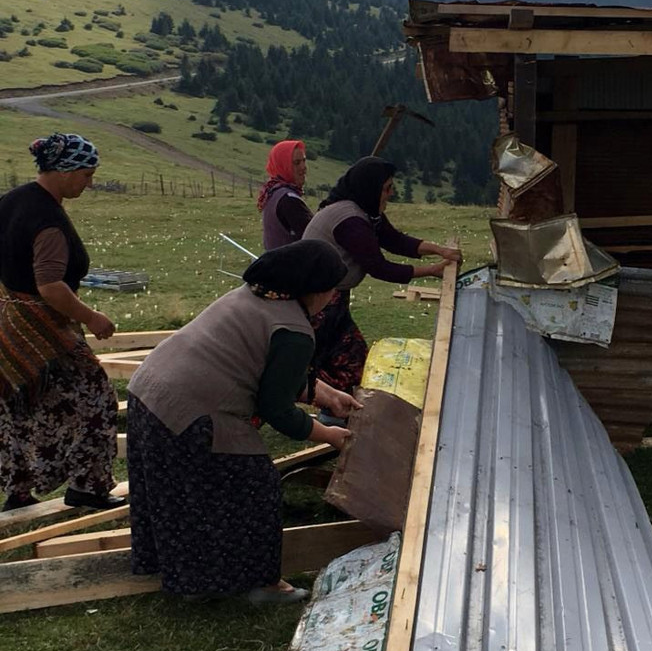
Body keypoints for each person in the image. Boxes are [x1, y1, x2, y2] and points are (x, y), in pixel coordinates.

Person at [126, 239, 357, 605]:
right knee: (256, 488)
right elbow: (276, 408)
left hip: (147, 394)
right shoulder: (295, 329)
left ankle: (187, 576)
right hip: (192, 412)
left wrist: (325, 395)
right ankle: (261, 585)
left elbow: (266, 365)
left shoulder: (256, 296)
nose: (334, 298)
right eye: (333, 290)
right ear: (317, 290)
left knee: (176, 491)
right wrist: (327, 434)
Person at [0, 132, 119, 512]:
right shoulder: (47, 218)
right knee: (96, 397)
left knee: (16, 404)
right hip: (44, 329)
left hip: (7, 323)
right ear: (65, 172)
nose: (89, 182)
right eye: (86, 174)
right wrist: (93, 317)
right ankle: (87, 485)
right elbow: (51, 285)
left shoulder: (11, 201)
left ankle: (17, 490)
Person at [302, 156, 462, 397]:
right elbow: (379, 267)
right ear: (371, 189)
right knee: (320, 359)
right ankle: (304, 402)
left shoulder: (365, 211)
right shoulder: (352, 221)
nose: (390, 194)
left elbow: (394, 240)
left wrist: (438, 250)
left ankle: (334, 410)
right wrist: (432, 271)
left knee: (352, 358)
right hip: (317, 301)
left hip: (332, 297)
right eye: (386, 188)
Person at [258, 140, 312, 250]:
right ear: (283, 165)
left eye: (304, 161)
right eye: (296, 163)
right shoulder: (289, 201)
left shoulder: (272, 192)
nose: (303, 167)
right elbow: (315, 237)